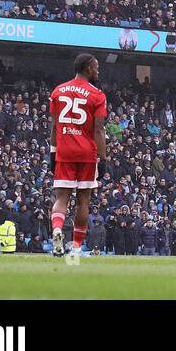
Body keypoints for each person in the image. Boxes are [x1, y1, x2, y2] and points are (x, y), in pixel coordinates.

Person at [49, 52, 108, 257]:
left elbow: (55, 126)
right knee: (84, 201)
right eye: (96, 67)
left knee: (61, 198)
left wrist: (52, 152)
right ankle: (75, 249)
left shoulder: (58, 91)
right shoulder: (97, 95)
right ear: (88, 68)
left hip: (64, 151)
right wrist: (104, 158)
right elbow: (99, 130)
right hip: (86, 153)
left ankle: (57, 231)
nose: (98, 70)